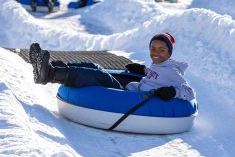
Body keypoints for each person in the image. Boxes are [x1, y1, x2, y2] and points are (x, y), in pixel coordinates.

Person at [28, 33, 196, 102]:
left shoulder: (172, 72)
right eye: (153, 49)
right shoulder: (161, 66)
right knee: (94, 66)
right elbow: (156, 76)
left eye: (162, 50)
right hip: (133, 87)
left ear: (169, 52)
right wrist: (143, 70)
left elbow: (189, 92)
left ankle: (49, 74)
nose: (156, 53)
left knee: (99, 76)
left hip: (133, 97)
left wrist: (173, 92)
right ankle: (53, 67)